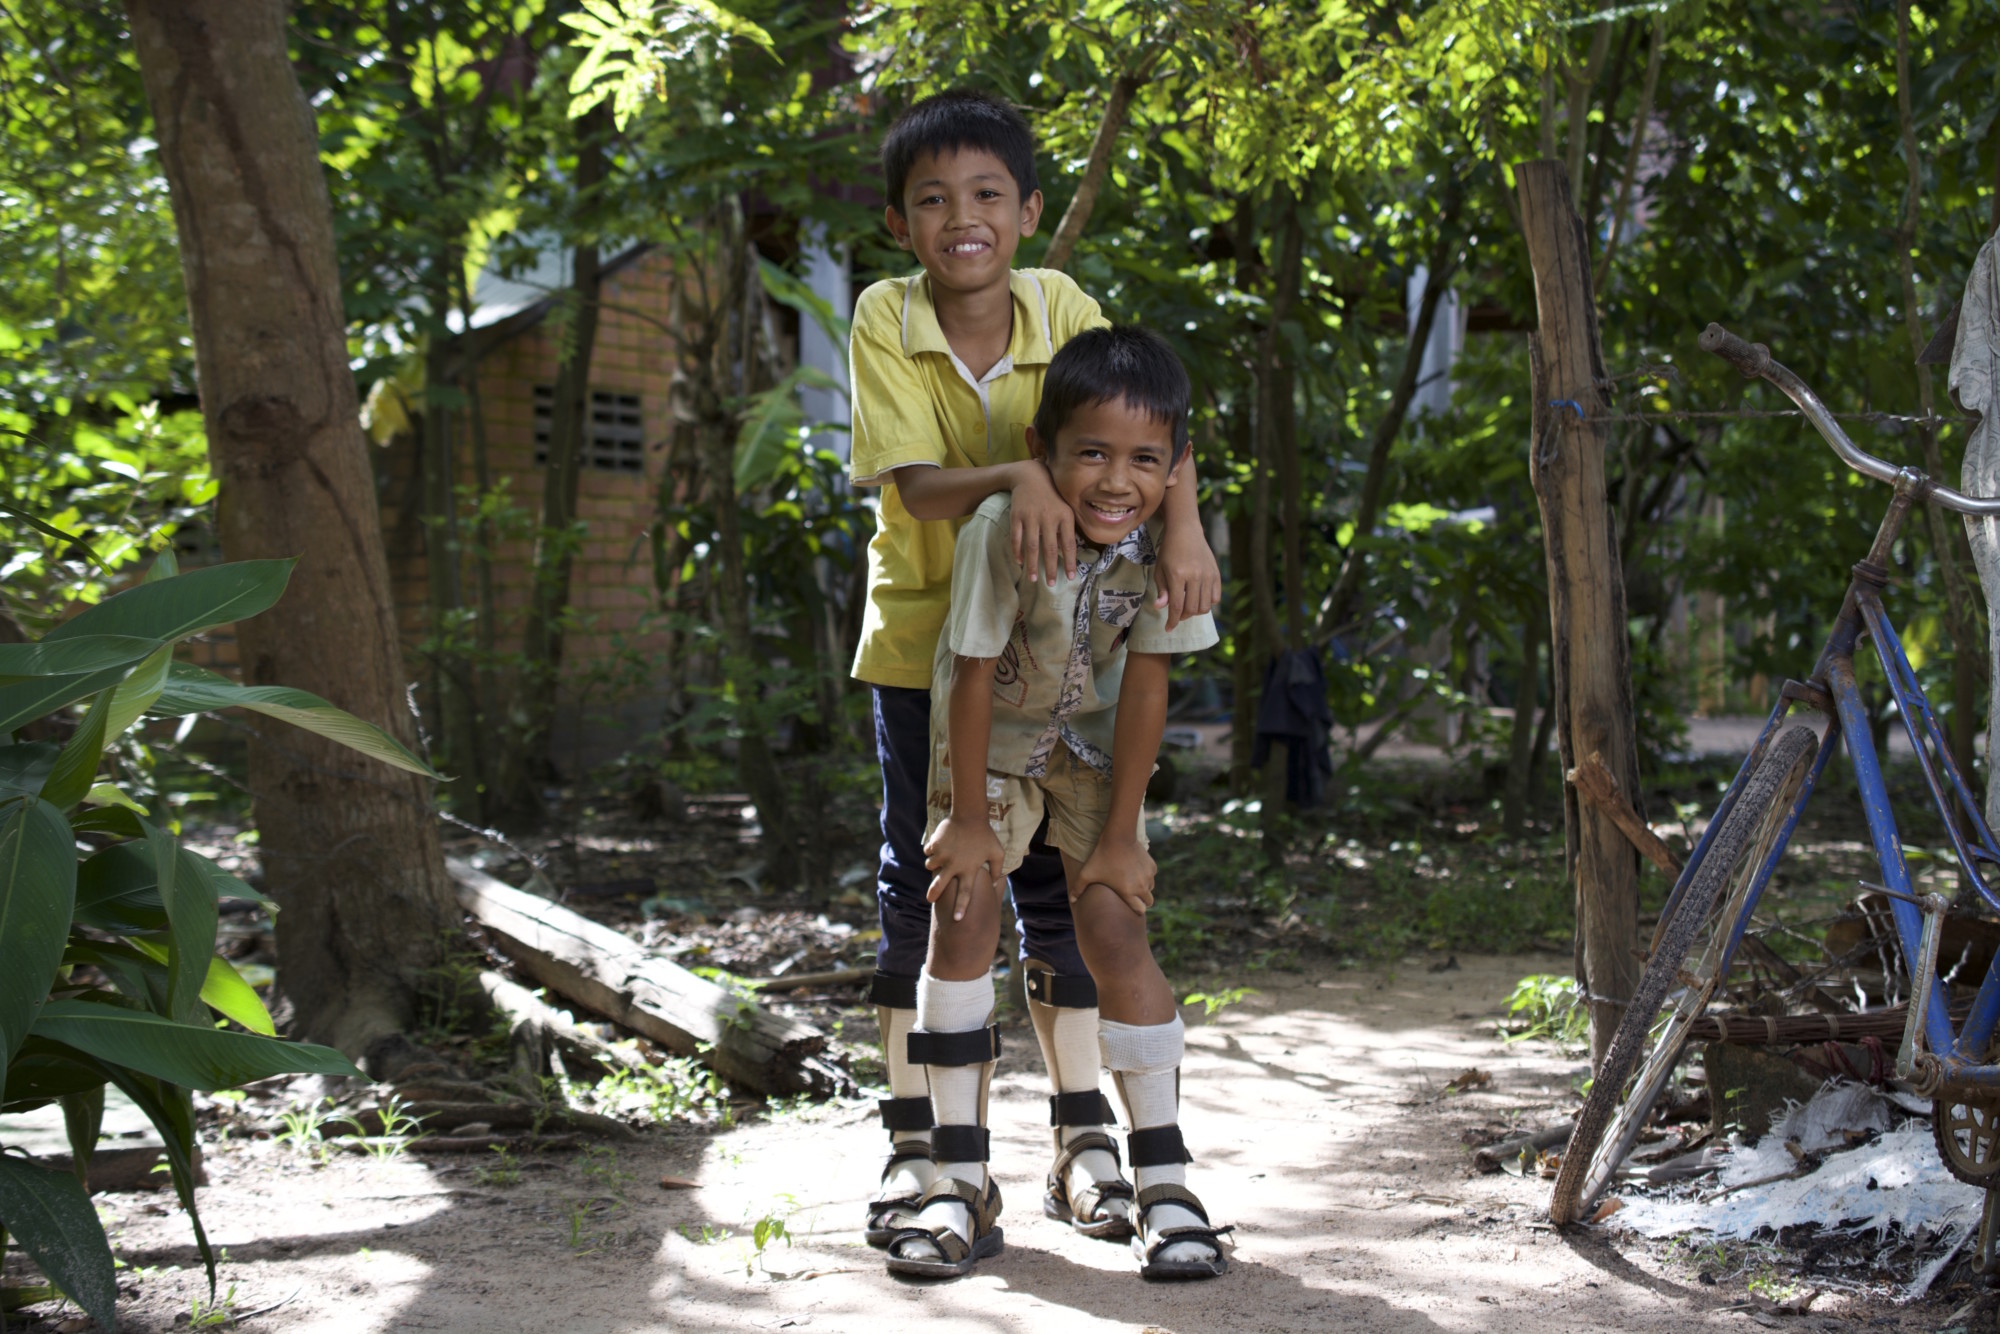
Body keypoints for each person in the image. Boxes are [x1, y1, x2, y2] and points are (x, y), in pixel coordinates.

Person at [848, 89, 1222, 1252]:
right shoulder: (883, 316)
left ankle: (1085, 1141)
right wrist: (1017, 479)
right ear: (903, 224)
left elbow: (1136, 409)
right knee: (930, 889)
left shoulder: (1059, 303)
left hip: (1076, 645)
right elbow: (914, 488)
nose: (962, 218)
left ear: (1025, 211)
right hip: (934, 640)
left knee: (1069, 902)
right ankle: (925, 1150)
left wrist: (1184, 528)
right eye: (933, 200)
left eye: (987, 195)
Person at [883, 326, 1230, 1282]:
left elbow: (1151, 683)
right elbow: (971, 668)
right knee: (963, 919)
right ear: (1043, 449)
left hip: (1091, 759)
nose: (1117, 480)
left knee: (1116, 932)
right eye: (1092, 453)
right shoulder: (1007, 526)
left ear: (1173, 470)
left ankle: (1165, 1180)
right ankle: (957, 1182)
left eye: (1145, 461)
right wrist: (960, 817)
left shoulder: (1171, 544)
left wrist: (1121, 836)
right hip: (987, 750)